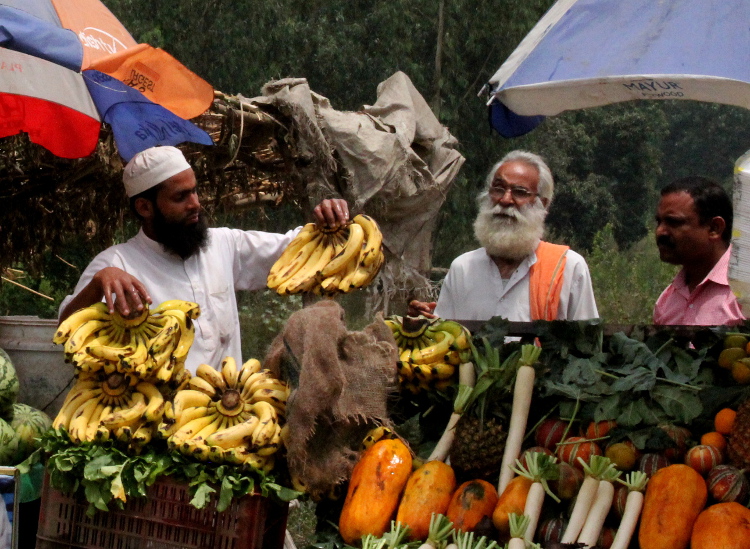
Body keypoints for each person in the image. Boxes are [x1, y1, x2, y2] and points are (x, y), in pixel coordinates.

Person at [59, 146, 349, 373]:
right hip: (158, 428)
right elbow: (66, 332)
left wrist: (327, 219)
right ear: (145, 207)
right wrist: (98, 284)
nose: (195, 203)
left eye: (194, 190)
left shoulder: (223, 244)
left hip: (231, 417)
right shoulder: (116, 265)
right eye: (180, 196)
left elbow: (294, 248)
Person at [409, 150, 598, 322]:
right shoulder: (462, 268)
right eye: (498, 188)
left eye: (520, 192)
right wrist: (424, 323)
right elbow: (444, 341)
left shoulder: (568, 268)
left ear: (543, 203)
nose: (505, 200)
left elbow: (586, 345)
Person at [653, 176, 745, 325]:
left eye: (674, 222)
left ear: (714, 228)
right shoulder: (666, 303)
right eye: (659, 222)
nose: (660, 231)